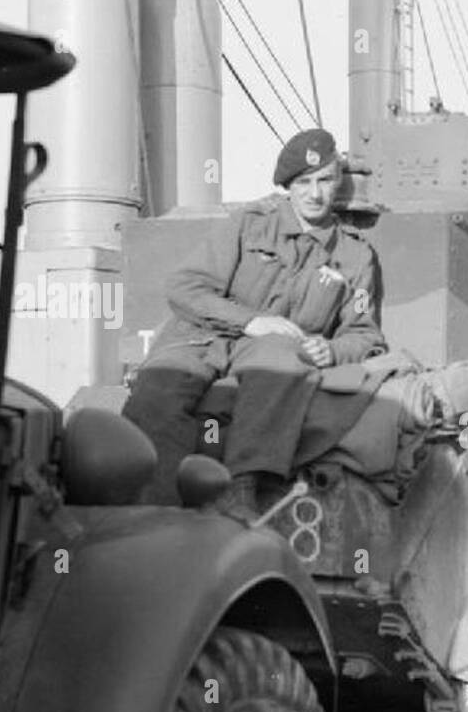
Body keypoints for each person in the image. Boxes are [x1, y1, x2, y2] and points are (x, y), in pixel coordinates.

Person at [123, 128, 386, 516]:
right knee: (159, 389)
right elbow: (185, 286)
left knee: (279, 359)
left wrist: (331, 349)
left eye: (325, 181)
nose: (315, 193)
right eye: (304, 183)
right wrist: (251, 322)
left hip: (272, 349)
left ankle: (241, 488)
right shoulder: (251, 223)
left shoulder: (354, 255)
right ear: (288, 187)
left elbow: (365, 335)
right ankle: (157, 511)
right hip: (201, 336)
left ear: (338, 182)